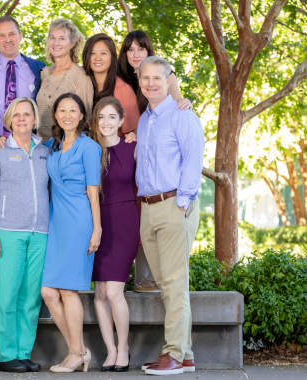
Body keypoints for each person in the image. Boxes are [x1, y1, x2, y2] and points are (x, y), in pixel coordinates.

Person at [136, 56, 204, 375]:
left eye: (157, 78)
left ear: (168, 80)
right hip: (148, 207)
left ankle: (173, 354)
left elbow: (193, 160)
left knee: (174, 281)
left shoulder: (182, 115)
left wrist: (183, 201)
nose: (151, 83)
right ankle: (186, 353)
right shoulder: (144, 119)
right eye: (145, 78)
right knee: (167, 283)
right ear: (140, 81)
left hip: (174, 204)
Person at [0, 15, 46, 292]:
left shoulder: (38, 69)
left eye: (12, 34)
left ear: (20, 36)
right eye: (1, 35)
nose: (7, 40)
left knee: (27, 202)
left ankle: (29, 271)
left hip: (28, 145)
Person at [118, 29, 192, 293]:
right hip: (132, 155)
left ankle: (148, 277)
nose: (135, 54)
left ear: (150, 52)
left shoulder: (161, 76)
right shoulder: (122, 80)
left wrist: (186, 101)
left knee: (151, 215)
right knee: (137, 215)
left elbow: (178, 104)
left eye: (141, 49)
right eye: (130, 49)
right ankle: (128, 274)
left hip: (158, 163)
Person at [0, 98, 50, 373]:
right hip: (7, 233)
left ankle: (23, 352)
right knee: (6, 296)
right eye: (16, 115)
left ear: (34, 118)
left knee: (30, 298)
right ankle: (6, 355)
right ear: (9, 120)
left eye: (27, 114)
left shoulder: (45, 151)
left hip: (40, 233)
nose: (22, 119)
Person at [40, 93, 101, 373]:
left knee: (67, 289)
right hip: (55, 221)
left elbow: (93, 191)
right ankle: (79, 350)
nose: (67, 115)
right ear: (55, 115)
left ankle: (76, 353)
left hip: (79, 221)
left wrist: (97, 229)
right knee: (48, 292)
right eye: (61, 110)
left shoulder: (89, 147)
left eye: (72, 110)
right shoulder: (51, 146)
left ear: (81, 116)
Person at [88, 97, 138, 373]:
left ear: (120, 121)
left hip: (124, 221)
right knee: (100, 292)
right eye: (101, 117)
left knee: (114, 290)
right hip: (96, 222)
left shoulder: (133, 146)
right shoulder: (89, 150)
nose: (106, 122)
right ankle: (110, 350)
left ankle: (124, 348)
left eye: (111, 117)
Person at [36, 19, 93, 141]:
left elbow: (87, 120)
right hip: (39, 147)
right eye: (52, 38)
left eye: (62, 38)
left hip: (65, 147)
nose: (56, 43)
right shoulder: (44, 73)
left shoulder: (81, 76)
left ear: (72, 44)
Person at [82, 33, 139, 133]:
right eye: (92, 53)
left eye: (103, 53)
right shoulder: (82, 82)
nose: (97, 58)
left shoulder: (122, 89)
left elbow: (133, 130)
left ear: (112, 57)